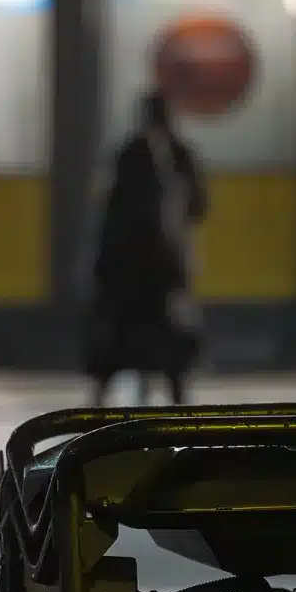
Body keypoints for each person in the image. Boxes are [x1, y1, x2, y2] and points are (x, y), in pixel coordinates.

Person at [87, 91, 208, 408]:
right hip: (160, 270)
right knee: (166, 346)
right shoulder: (177, 155)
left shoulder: (131, 155)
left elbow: (110, 212)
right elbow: (198, 206)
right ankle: (178, 407)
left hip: (132, 271)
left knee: (120, 342)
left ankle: (98, 405)